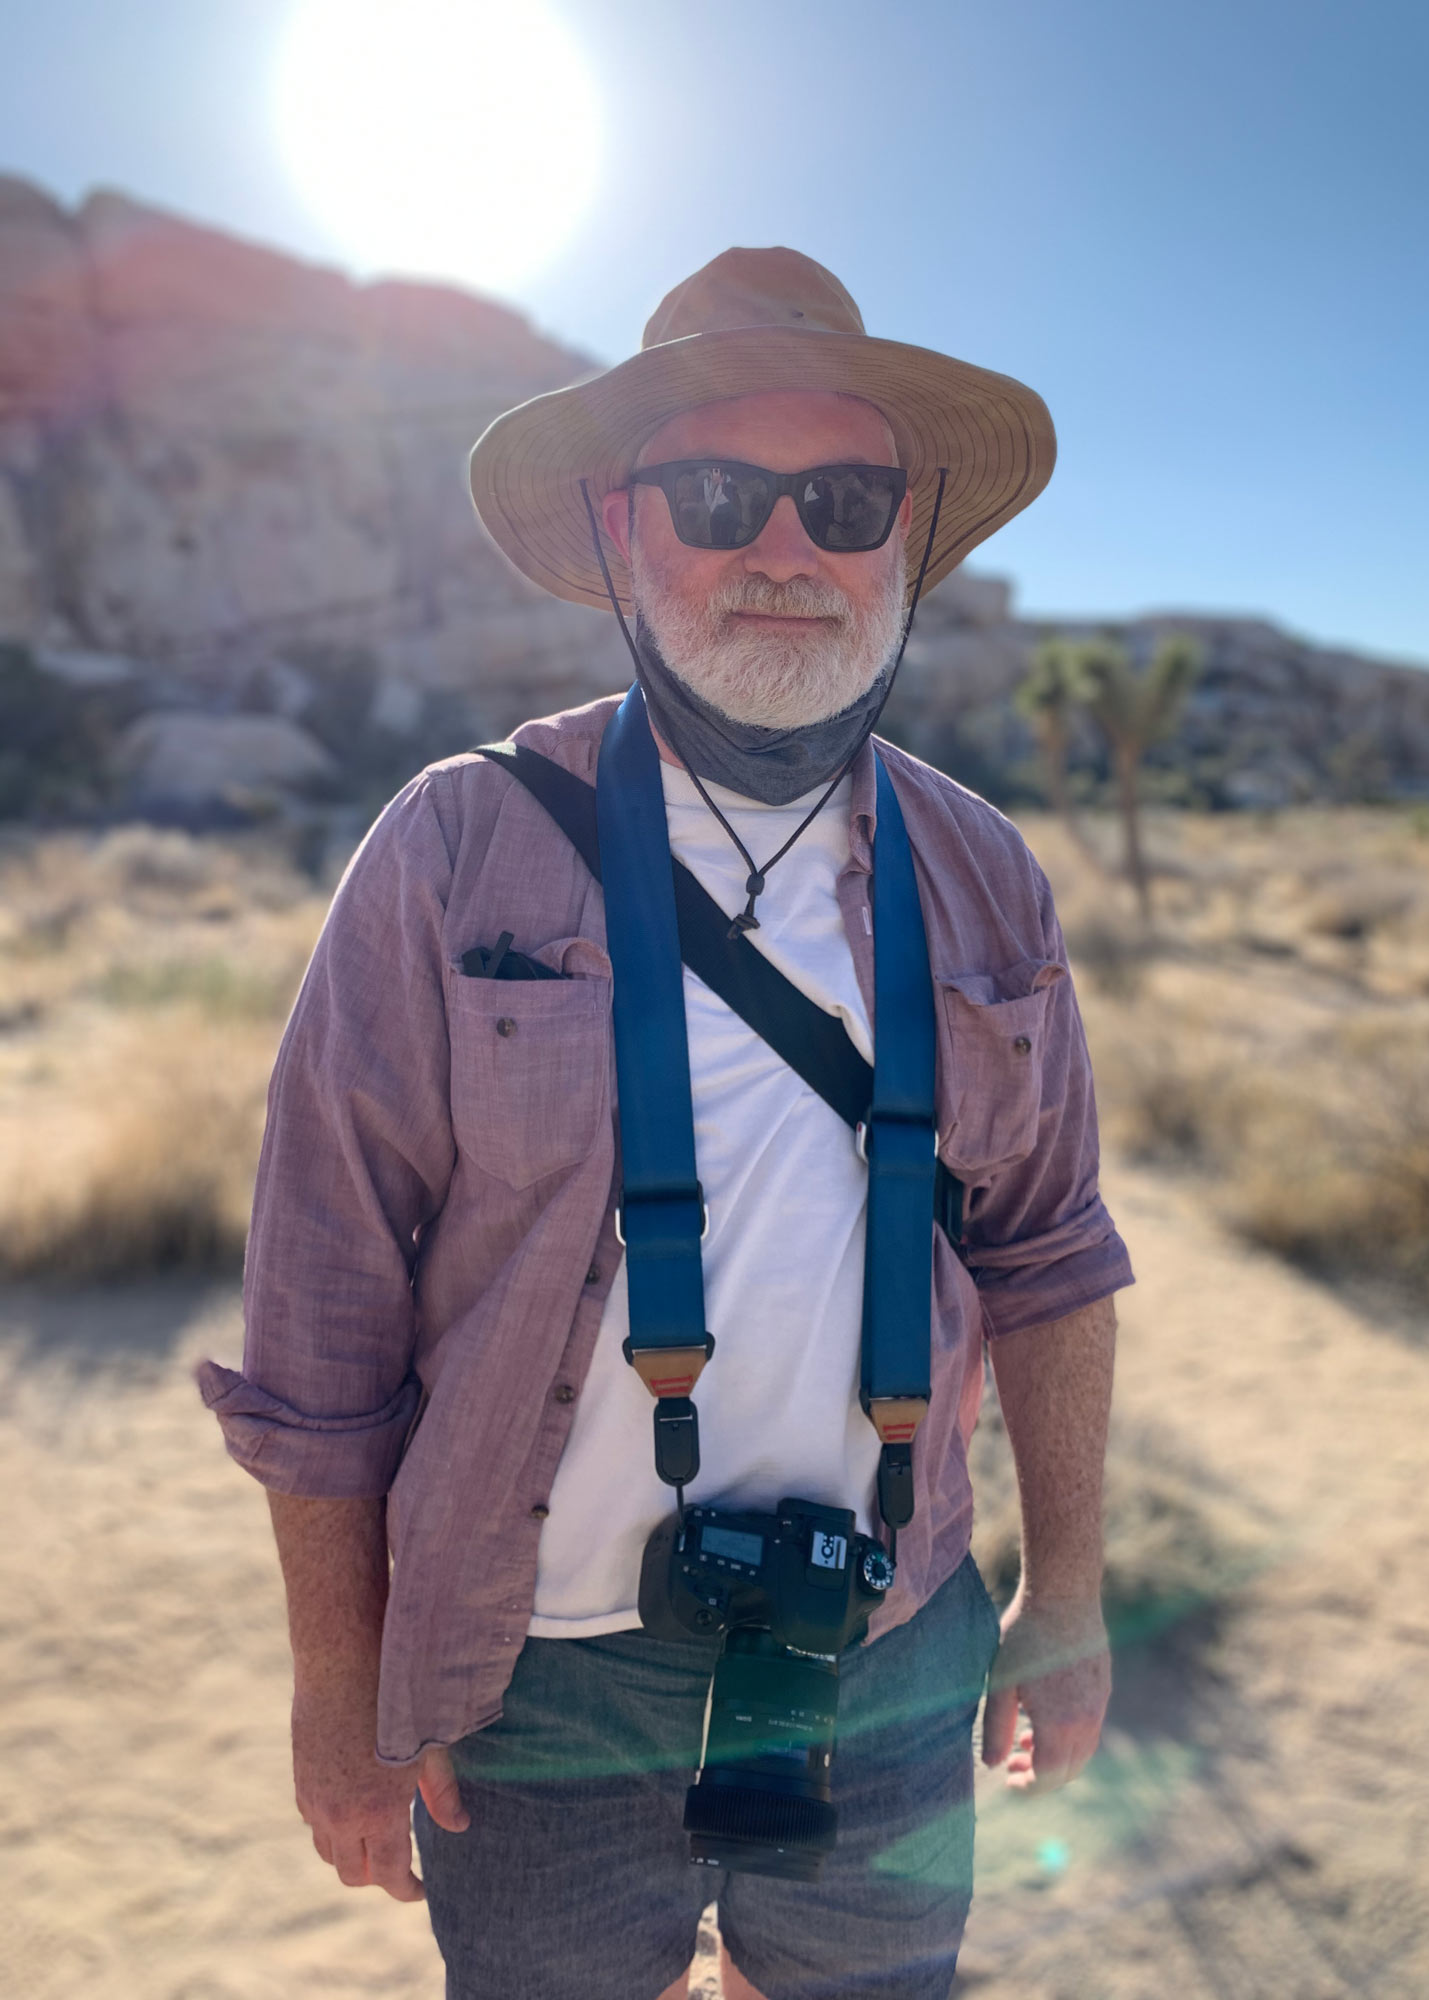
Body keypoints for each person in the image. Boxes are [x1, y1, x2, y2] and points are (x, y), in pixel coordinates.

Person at [201, 246, 1134, 2000]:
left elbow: (1052, 1252)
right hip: (538, 1679)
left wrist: (1066, 1593)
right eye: (718, 494)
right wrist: (340, 1686)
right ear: (627, 534)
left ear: (905, 539)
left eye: (841, 500)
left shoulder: (983, 874)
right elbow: (319, 1310)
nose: (784, 548)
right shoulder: (457, 844)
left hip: (888, 1639)